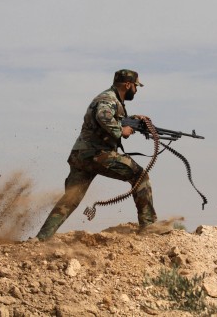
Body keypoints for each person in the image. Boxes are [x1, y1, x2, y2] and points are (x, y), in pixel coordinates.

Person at [36, 69, 157, 241]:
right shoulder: (108, 99)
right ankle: (148, 225)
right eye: (136, 87)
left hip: (81, 155)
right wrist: (120, 130)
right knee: (140, 175)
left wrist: (132, 119)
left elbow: (107, 116)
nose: (136, 91)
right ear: (128, 85)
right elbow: (102, 115)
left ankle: (42, 237)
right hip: (97, 154)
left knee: (71, 198)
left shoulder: (109, 99)